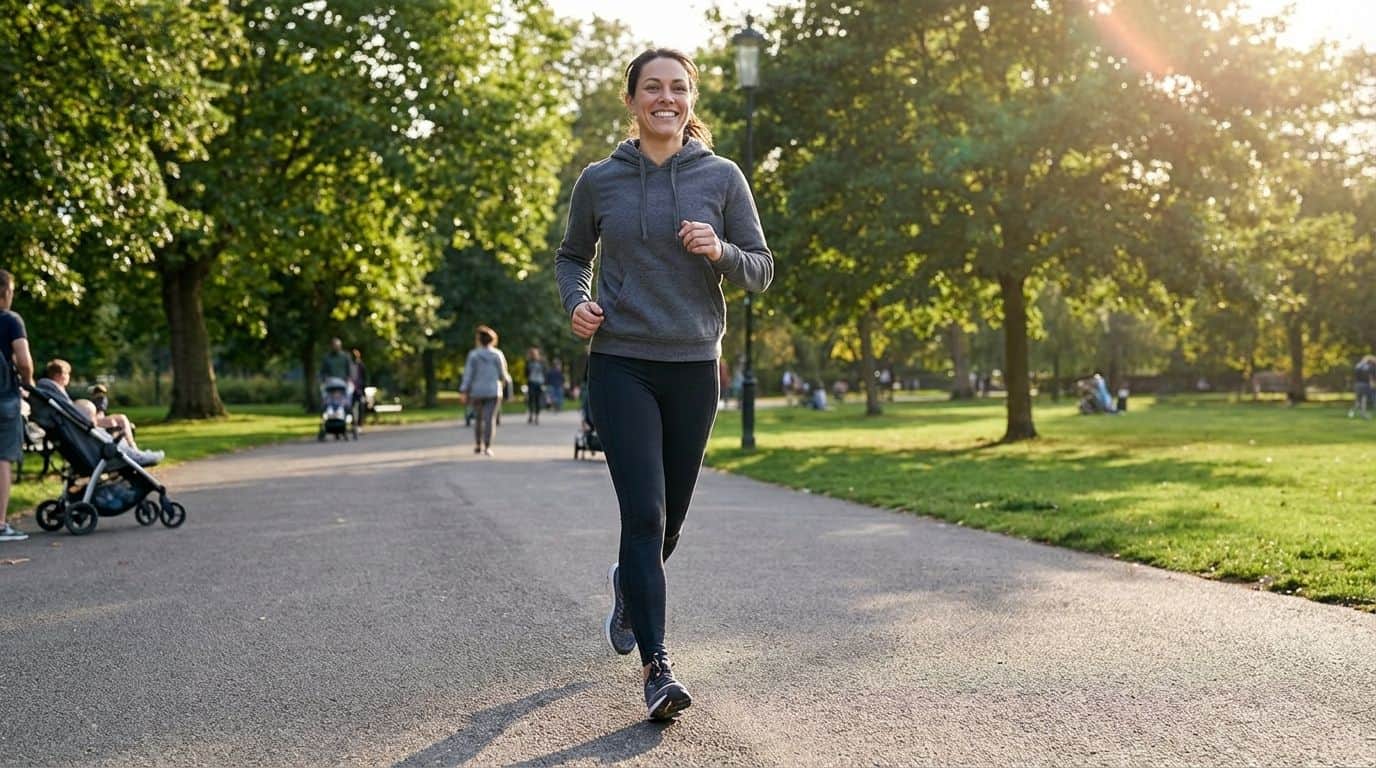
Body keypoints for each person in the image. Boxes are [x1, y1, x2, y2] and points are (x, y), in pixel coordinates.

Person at [555, 47, 773, 721]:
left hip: (692, 365)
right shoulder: (600, 180)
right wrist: (577, 303)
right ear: (632, 99)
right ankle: (657, 669)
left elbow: (761, 268)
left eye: (678, 88)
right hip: (621, 362)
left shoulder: (723, 177)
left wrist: (721, 249)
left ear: (691, 99)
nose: (666, 98)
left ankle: (628, 586)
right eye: (653, 87)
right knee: (643, 514)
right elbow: (570, 257)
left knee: (669, 522)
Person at [43, 360, 150, 450]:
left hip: (82, 421)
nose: (68, 376)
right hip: (84, 422)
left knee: (119, 420)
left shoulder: (55, 391)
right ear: (58, 376)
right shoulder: (57, 391)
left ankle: (127, 447)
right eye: (66, 373)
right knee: (122, 419)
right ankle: (132, 448)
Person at [0, 270, 33, 542]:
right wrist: (28, 382)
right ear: (5, 293)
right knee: (2, 459)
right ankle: (0, 525)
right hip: (4, 398)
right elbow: (23, 360)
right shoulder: (11, 320)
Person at [459, 326, 513, 456]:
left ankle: (478, 444)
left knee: (478, 419)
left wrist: (464, 390)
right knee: (490, 419)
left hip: (477, 391)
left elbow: (468, 374)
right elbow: (503, 375)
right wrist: (508, 389)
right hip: (493, 391)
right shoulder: (497, 354)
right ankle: (487, 446)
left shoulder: (473, 355)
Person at [525, 347, 545, 425]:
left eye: (535, 353)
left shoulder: (542, 362)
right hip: (531, 382)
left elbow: (545, 372)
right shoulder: (529, 362)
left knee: (537, 400)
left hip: (539, 383)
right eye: (532, 354)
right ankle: (530, 415)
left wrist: (544, 383)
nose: (533, 355)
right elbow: (526, 372)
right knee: (531, 399)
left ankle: (537, 416)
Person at [1351, 355, 1375, 419]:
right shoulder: (1368, 366)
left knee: (1358, 400)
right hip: (1364, 384)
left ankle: (1352, 413)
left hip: (1357, 384)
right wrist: (1372, 383)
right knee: (1363, 400)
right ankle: (1363, 414)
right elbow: (1370, 376)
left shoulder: (1358, 365)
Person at [349, 348, 368, 431]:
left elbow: (365, 378)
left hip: (359, 390)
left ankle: (359, 424)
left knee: (360, 406)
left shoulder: (361, 366)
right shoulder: (349, 366)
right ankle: (353, 423)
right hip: (351, 389)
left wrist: (363, 389)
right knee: (351, 406)